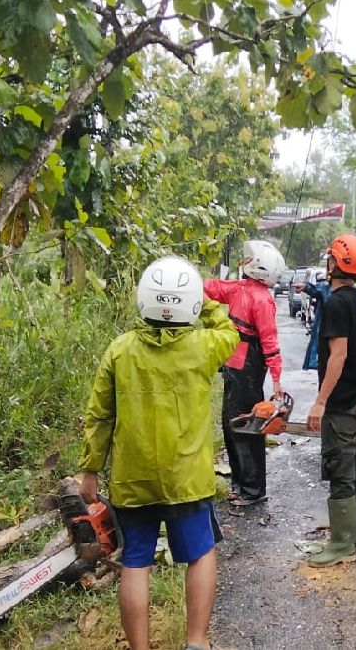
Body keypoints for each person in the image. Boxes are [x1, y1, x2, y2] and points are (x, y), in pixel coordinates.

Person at [79, 256, 239, 650]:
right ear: (191, 303)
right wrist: (208, 299)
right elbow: (230, 330)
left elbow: (99, 415)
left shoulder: (120, 350)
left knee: (136, 560)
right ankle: (196, 642)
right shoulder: (204, 346)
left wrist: (90, 471)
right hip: (186, 480)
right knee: (200, 554)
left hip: (133, 480)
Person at [305, 234, 356, 567]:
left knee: (341, 471)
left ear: (335, 264)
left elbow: (338, 355)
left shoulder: (336, 303)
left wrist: (320, 401)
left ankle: (342, 545)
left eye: (330, 259)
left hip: (343, 403)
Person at [204, 240, 286, 507]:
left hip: (249, 371)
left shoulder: (261, 299)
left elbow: (270, 342)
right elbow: (213, 288)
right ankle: (240, 483)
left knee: (246, 428)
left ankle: (253, 488)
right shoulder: (242, 288)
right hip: (234, 369)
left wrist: (276, 379)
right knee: (231, 427)